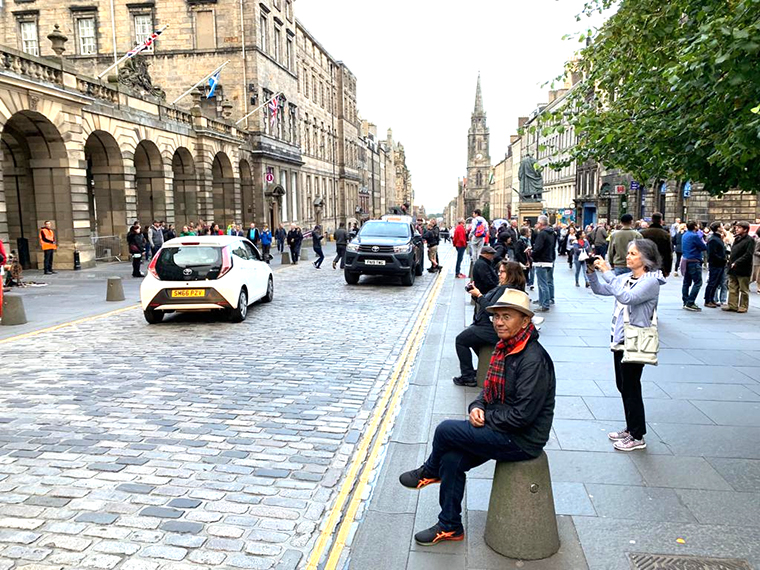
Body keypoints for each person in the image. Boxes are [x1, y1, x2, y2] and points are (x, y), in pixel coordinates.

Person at [399, 288, 555, 546]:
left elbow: (523, 415)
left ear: (525, 321)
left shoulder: (532, 359)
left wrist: (486, 417)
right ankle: (450, 526)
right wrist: (476, 406)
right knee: (451, 459)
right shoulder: (505, 347)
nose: (499, 322)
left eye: (507, 316)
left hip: (523, 439)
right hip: (503, 428)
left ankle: (430, 470)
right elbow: (488, 391)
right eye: (496, 317)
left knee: (445, 430)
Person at [587, 239, 664, 451]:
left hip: (635, 339)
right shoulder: (625, 278)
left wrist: (607, 272)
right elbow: (601, 290)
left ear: (645, 258)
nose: (628, 257)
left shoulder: (651, 282)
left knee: (631, 387)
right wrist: (592, 272)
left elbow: (627, 297)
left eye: (633, 253)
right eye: (628, 253)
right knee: (623, 386)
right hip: (619, 338)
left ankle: (637, 436)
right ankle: (631, 428)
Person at [453, 261, 526, 387]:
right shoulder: (506, 287)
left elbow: (491, 309)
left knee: (461, 340)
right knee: (472, 340)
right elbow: (487, 301)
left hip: (491, 328)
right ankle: (485, 367)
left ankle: (468, 376)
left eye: (503, 272)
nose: (499, 274)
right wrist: (475, 294)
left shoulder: (506, 289)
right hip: (487, 325)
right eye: (499, 271)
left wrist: (479, 295)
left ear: (511, 274)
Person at [722, 221, 755, 313]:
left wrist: (737, 262)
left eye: (739, 228)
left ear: (745, 230)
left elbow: (748, 254)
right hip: (733, 267)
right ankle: (732, 305)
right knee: (732, 287)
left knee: (743, 289)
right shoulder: (737, 238)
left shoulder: (749, 240)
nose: (736, 229)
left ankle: (743, 306)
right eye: (736, 227)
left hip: (743, 268)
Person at [532, 215, 556, 312]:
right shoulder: (552, 233)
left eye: (537, 222)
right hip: (549, 259)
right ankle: (544, 301)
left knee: (542, 283)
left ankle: (545, 304)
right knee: (547, 281)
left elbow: (538, 248)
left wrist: (532, 254)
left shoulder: (542, 234)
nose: (536, 224)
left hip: (541, 261)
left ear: (541, 223)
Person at [681, 220, 707, 311]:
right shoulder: (694, 236)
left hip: (686, 259)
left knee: (686, 282)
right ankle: (690, 302)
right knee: (698, 282)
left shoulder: (685, 234)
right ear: (695, 226)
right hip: (694, 260)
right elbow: (703, 247)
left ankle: (685, 301)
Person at [640, 213, 673, 278]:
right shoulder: (665, 234)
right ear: (660, 220)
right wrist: (668, 269)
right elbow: (668, 253)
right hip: (660, 263)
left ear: (652, 220)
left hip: (646, 262)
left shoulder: (643, 233)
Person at [703, 222, 727, 308]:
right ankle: (708, 300)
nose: (723, 227)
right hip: (715, 264)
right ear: (718, 228)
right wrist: (722, 259)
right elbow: (712, 253)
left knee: (716, 283)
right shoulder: (713, 239)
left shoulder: (717, 238)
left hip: (719, 264)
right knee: (712, 282)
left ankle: (712, 299)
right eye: (721, 226)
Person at [753, 227, 760, 294]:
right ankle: (759, 288)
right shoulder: (759, 241)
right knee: (758, 275)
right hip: (758, 260)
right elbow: (755, 251)